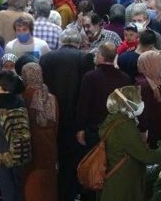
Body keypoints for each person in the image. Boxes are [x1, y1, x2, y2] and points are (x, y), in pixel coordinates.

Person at [39, 29, 95, 201]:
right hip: (74, 118)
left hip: (51, 117)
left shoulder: (46, 58)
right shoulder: (84, 58)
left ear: (61, 40)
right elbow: (87, 91)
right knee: (71, 161)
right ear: (78, 42)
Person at [98, 86, 161, 201]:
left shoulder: (114, 119)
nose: (141, 102)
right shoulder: (124, 126)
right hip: (122, 186)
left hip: (118, 180)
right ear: (129, 103)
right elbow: (144, 155)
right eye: (139, 99)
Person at [76, 43, 132, 150]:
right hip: (117, 128)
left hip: (95, 129)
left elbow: (83, 104)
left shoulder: (90, 77)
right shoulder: (125, 78)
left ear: (100, 56)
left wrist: (80, 128)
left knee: (96, 161)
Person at [19, 63, 58, 201]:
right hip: (50, 143)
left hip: (31, 143)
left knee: (31, 183)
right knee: (48, 182)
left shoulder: (23, 97)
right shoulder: (51, 97)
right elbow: (56, 124)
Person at [0, 71, 26, 201]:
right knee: (18, 185)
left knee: (6, 185)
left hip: (2, 151)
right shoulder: (20, 101)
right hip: (20, 148)